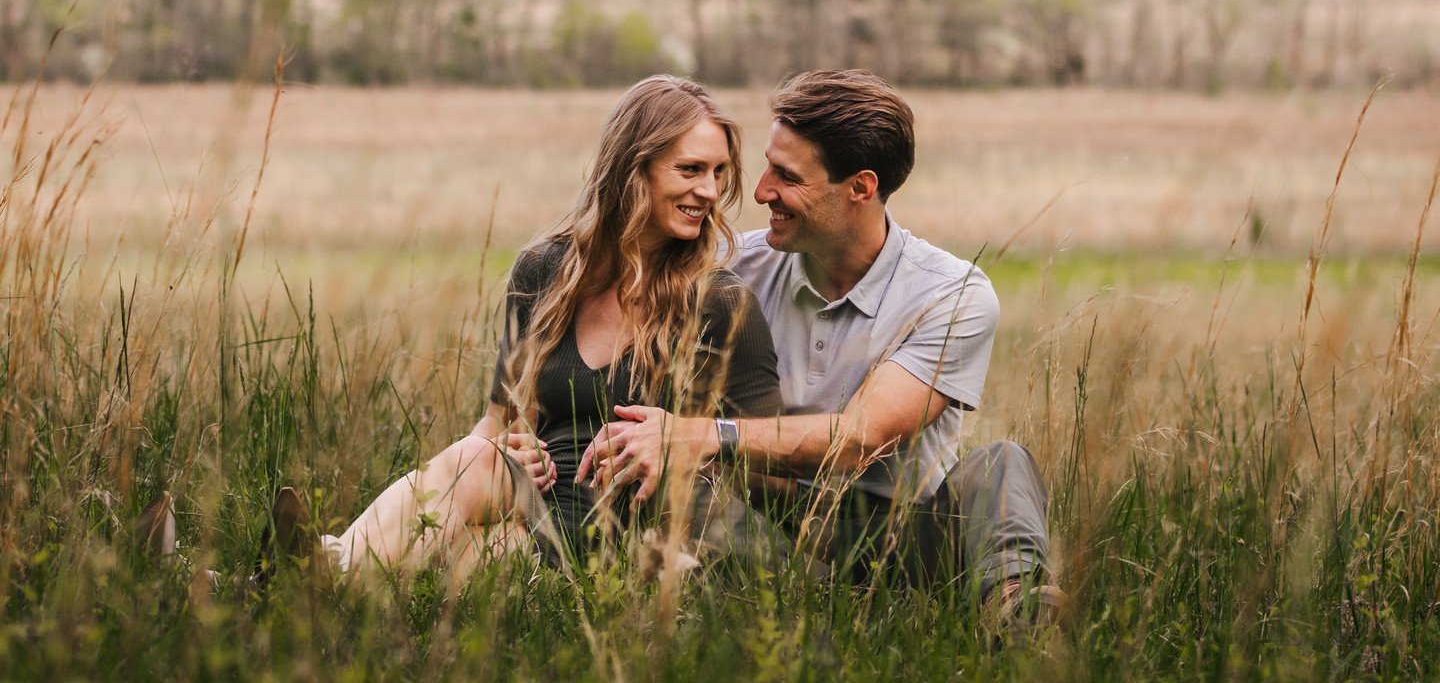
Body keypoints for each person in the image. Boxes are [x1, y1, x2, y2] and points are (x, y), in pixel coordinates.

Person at [579, 70, 1055, 621]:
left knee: (1003, 465)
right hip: (765, 516)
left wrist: (704, 434)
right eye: (767, 166)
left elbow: (860, 441)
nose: (759, 192)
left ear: (861, 187)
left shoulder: (952, 295)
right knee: (677, 481)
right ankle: (818, 604)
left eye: (787, 176)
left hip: (905, 530)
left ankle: (1017, 615)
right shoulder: (732, 270)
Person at [289, 74, 782, 579]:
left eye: (719, 172)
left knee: (470, 556)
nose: (709, 190)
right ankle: (321, 572)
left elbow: (767, 461)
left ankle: (311, 571)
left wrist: (687, 449)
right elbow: (499, 422)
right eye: (691, 169)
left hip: (637, 527)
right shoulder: (545, 271)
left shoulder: (721, 303)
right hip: (535, 502)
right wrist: (509, 447)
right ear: (634, 169)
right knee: (477, 463)